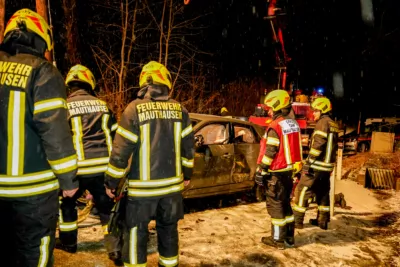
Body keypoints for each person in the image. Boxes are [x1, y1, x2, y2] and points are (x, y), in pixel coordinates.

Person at [0, 9, 78, 266]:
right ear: (40, 39)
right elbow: (54, 131)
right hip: (32, 193)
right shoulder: (43, 72)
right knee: (35, 255)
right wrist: (69, 180)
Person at [104, 61, 194, 267]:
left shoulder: (134, 110)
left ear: (144, 82)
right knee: (168, 230)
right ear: (167, 83)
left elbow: (119, 152)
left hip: (142, 192)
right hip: (171, 190)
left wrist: (111, 182)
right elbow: (188, 149)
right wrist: (187, 174)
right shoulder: (181, 111)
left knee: (136, 233)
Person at [56, 64, 122, 265]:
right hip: (103, 168)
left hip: (77, 169)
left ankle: (69, 243)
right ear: (89, 83)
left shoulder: (64, 107)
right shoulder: (103, 106)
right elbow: (116, 135)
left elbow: (58, 139)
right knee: (106, 208)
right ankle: (115, 249)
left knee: (66, 203)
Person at [255, 89, 302, 250]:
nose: (267, 110)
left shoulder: (275, 126)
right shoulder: (292, 124)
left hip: (275, 173)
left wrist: (262, 170)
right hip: (288, 173)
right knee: (286, 206)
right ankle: (289, 237)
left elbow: (270, 152)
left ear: (276, 105)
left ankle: (277, 240)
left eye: (269, 107)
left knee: (275, 208)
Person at [292, 97, 339, 230]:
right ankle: (322, 221)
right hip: (327, 166)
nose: (313, 114)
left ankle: (297, 221)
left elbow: (318, 144)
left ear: (323, 110)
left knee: (302, 190)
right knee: (323, 192)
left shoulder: (322, 123)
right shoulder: (333, 124)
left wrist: (308, 162)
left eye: (316, 111)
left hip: (317, 165)